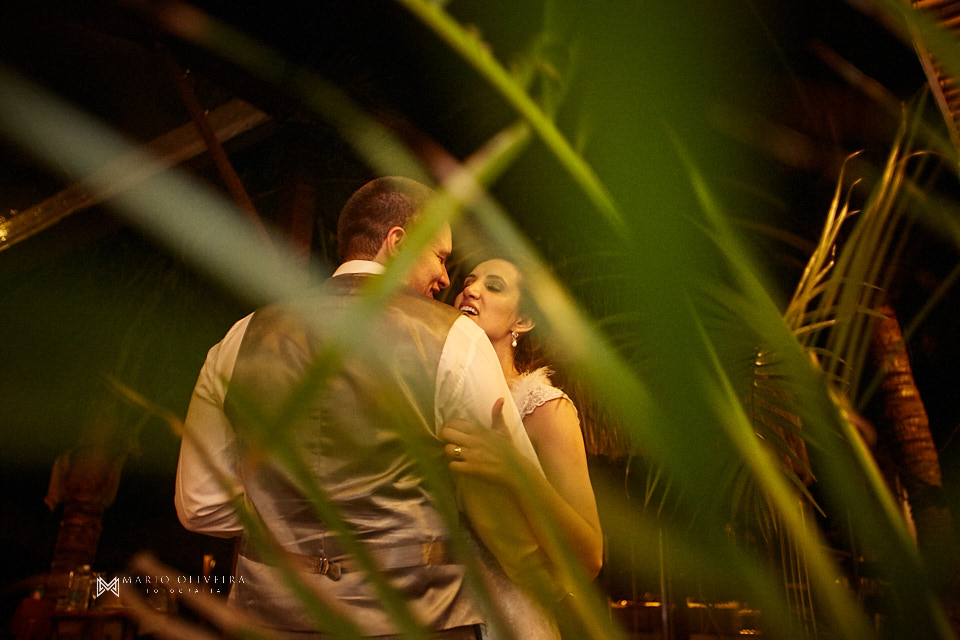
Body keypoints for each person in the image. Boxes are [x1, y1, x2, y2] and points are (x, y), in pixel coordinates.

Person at [174, 177, 552, 638]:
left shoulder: (241, 336)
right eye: (440, 256)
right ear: (397, 243)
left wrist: (288, 525)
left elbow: (198, 505)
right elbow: (512, 504)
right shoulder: (455, 337)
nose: (446, 278)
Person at [439, 258, 603, 639]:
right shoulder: (437, 398)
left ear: (523, 320)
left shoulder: (544, 407)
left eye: (493, 286)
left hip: (512, 620)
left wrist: (517, 470)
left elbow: (589, 557)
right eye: (468, 281)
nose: (470, 290)